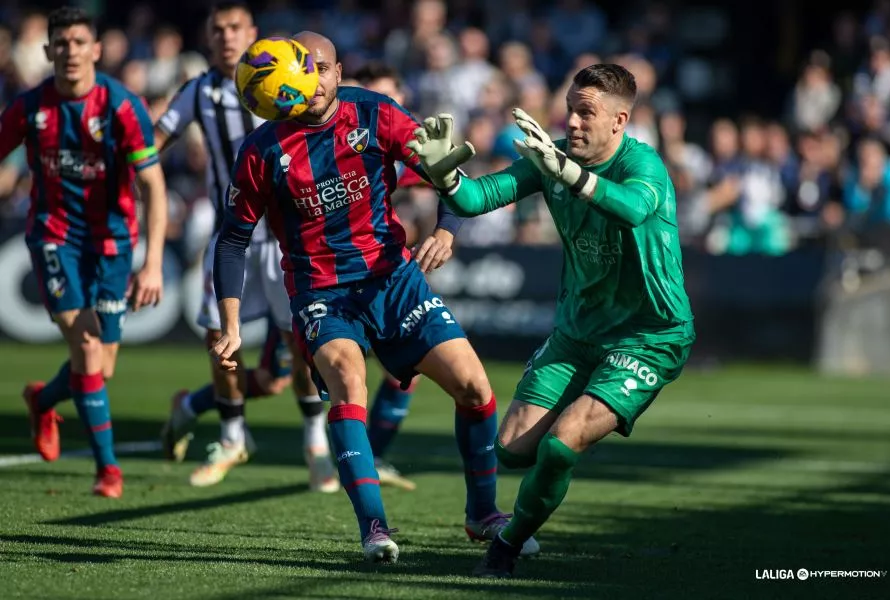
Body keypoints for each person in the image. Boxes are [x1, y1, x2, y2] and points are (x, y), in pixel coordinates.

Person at [211, 31, 539, 563]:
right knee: (349, 382)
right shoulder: (263, 149)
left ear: (340, 72)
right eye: (301, 67)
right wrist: (229, 324)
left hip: (393, 279)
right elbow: (232, 239)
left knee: (475, 387)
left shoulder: (376, 114)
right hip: (321, 290)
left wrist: (448, 229)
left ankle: (482, 513)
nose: (311, 79)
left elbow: (442, 171)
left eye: (321, 67)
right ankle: (374, 528)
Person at [408, 63, 695, 578]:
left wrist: (572, 176)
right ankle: (525, 511)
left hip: (649, 335)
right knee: (513, 449)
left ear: (619, 121)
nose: (574, 122)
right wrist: (445, 175)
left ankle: (508, 545)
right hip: (577, 331)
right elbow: (476, 199)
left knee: (563, 443)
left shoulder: (644, 165)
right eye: (570, 109)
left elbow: (631, 209)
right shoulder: (552, 157)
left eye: (587, 112)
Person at [153, 1, 337, 492]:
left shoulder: (293, 79)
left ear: (253, 34)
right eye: (218, 29)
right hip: (231, 235)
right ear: (208, 38)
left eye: (236, 27)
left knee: (303, 349)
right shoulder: (199, 91)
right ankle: (233, 436)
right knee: (220, 341)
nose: (227, 36)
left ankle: (315, 442)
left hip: (286, 240)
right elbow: (156, 140)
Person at [0, 6, 168, 498]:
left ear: (96, 49)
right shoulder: (30, 107)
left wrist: (153, 262)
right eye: (61, 43)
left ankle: (44, 399)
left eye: (79, 42)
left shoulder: (121, 106)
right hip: (54, 236)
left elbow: (154, 186)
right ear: (48, 50)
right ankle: (108, 469)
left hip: (114, 241)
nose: (70, 51)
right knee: (89, 350)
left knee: (100, 365)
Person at [350, 61, 427, 492]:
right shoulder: (338, 143)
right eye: (370, 94)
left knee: (405, 369)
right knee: (279, 378)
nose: (377, 105)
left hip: (384, 270)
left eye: (387, 96)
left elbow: (445, 180)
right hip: (323, 273)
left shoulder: (399, 142)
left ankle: (370, 455)